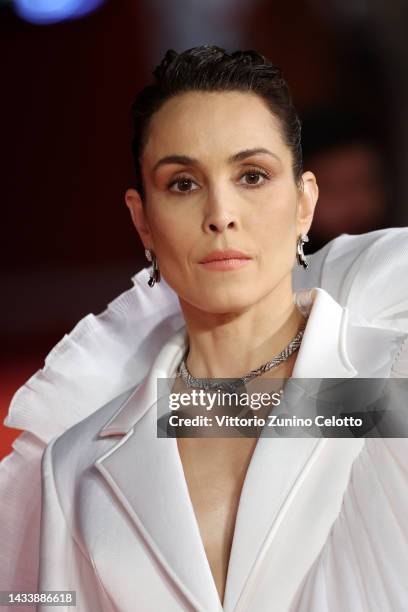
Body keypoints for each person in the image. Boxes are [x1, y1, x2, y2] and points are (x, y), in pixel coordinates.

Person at [1, 45, 408, 612]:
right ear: (142, 219)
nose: (221, 213)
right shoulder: (75, 467)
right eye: (183, 184)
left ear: (304, 203)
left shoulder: (394, 383)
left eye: (252, 175)